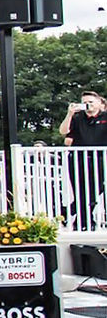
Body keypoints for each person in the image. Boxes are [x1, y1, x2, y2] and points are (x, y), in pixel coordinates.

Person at [58, 90, 107, 231]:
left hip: (99, 159)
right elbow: (63, 131)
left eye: (91, 102)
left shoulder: (105, 117)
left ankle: (68, 212)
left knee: (97, 189)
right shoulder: (77, 117)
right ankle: (84, 220)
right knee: (80, 191)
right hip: (78, 159)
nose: (88, 105)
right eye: (85, 102)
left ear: (99, 103)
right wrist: (70, 114)